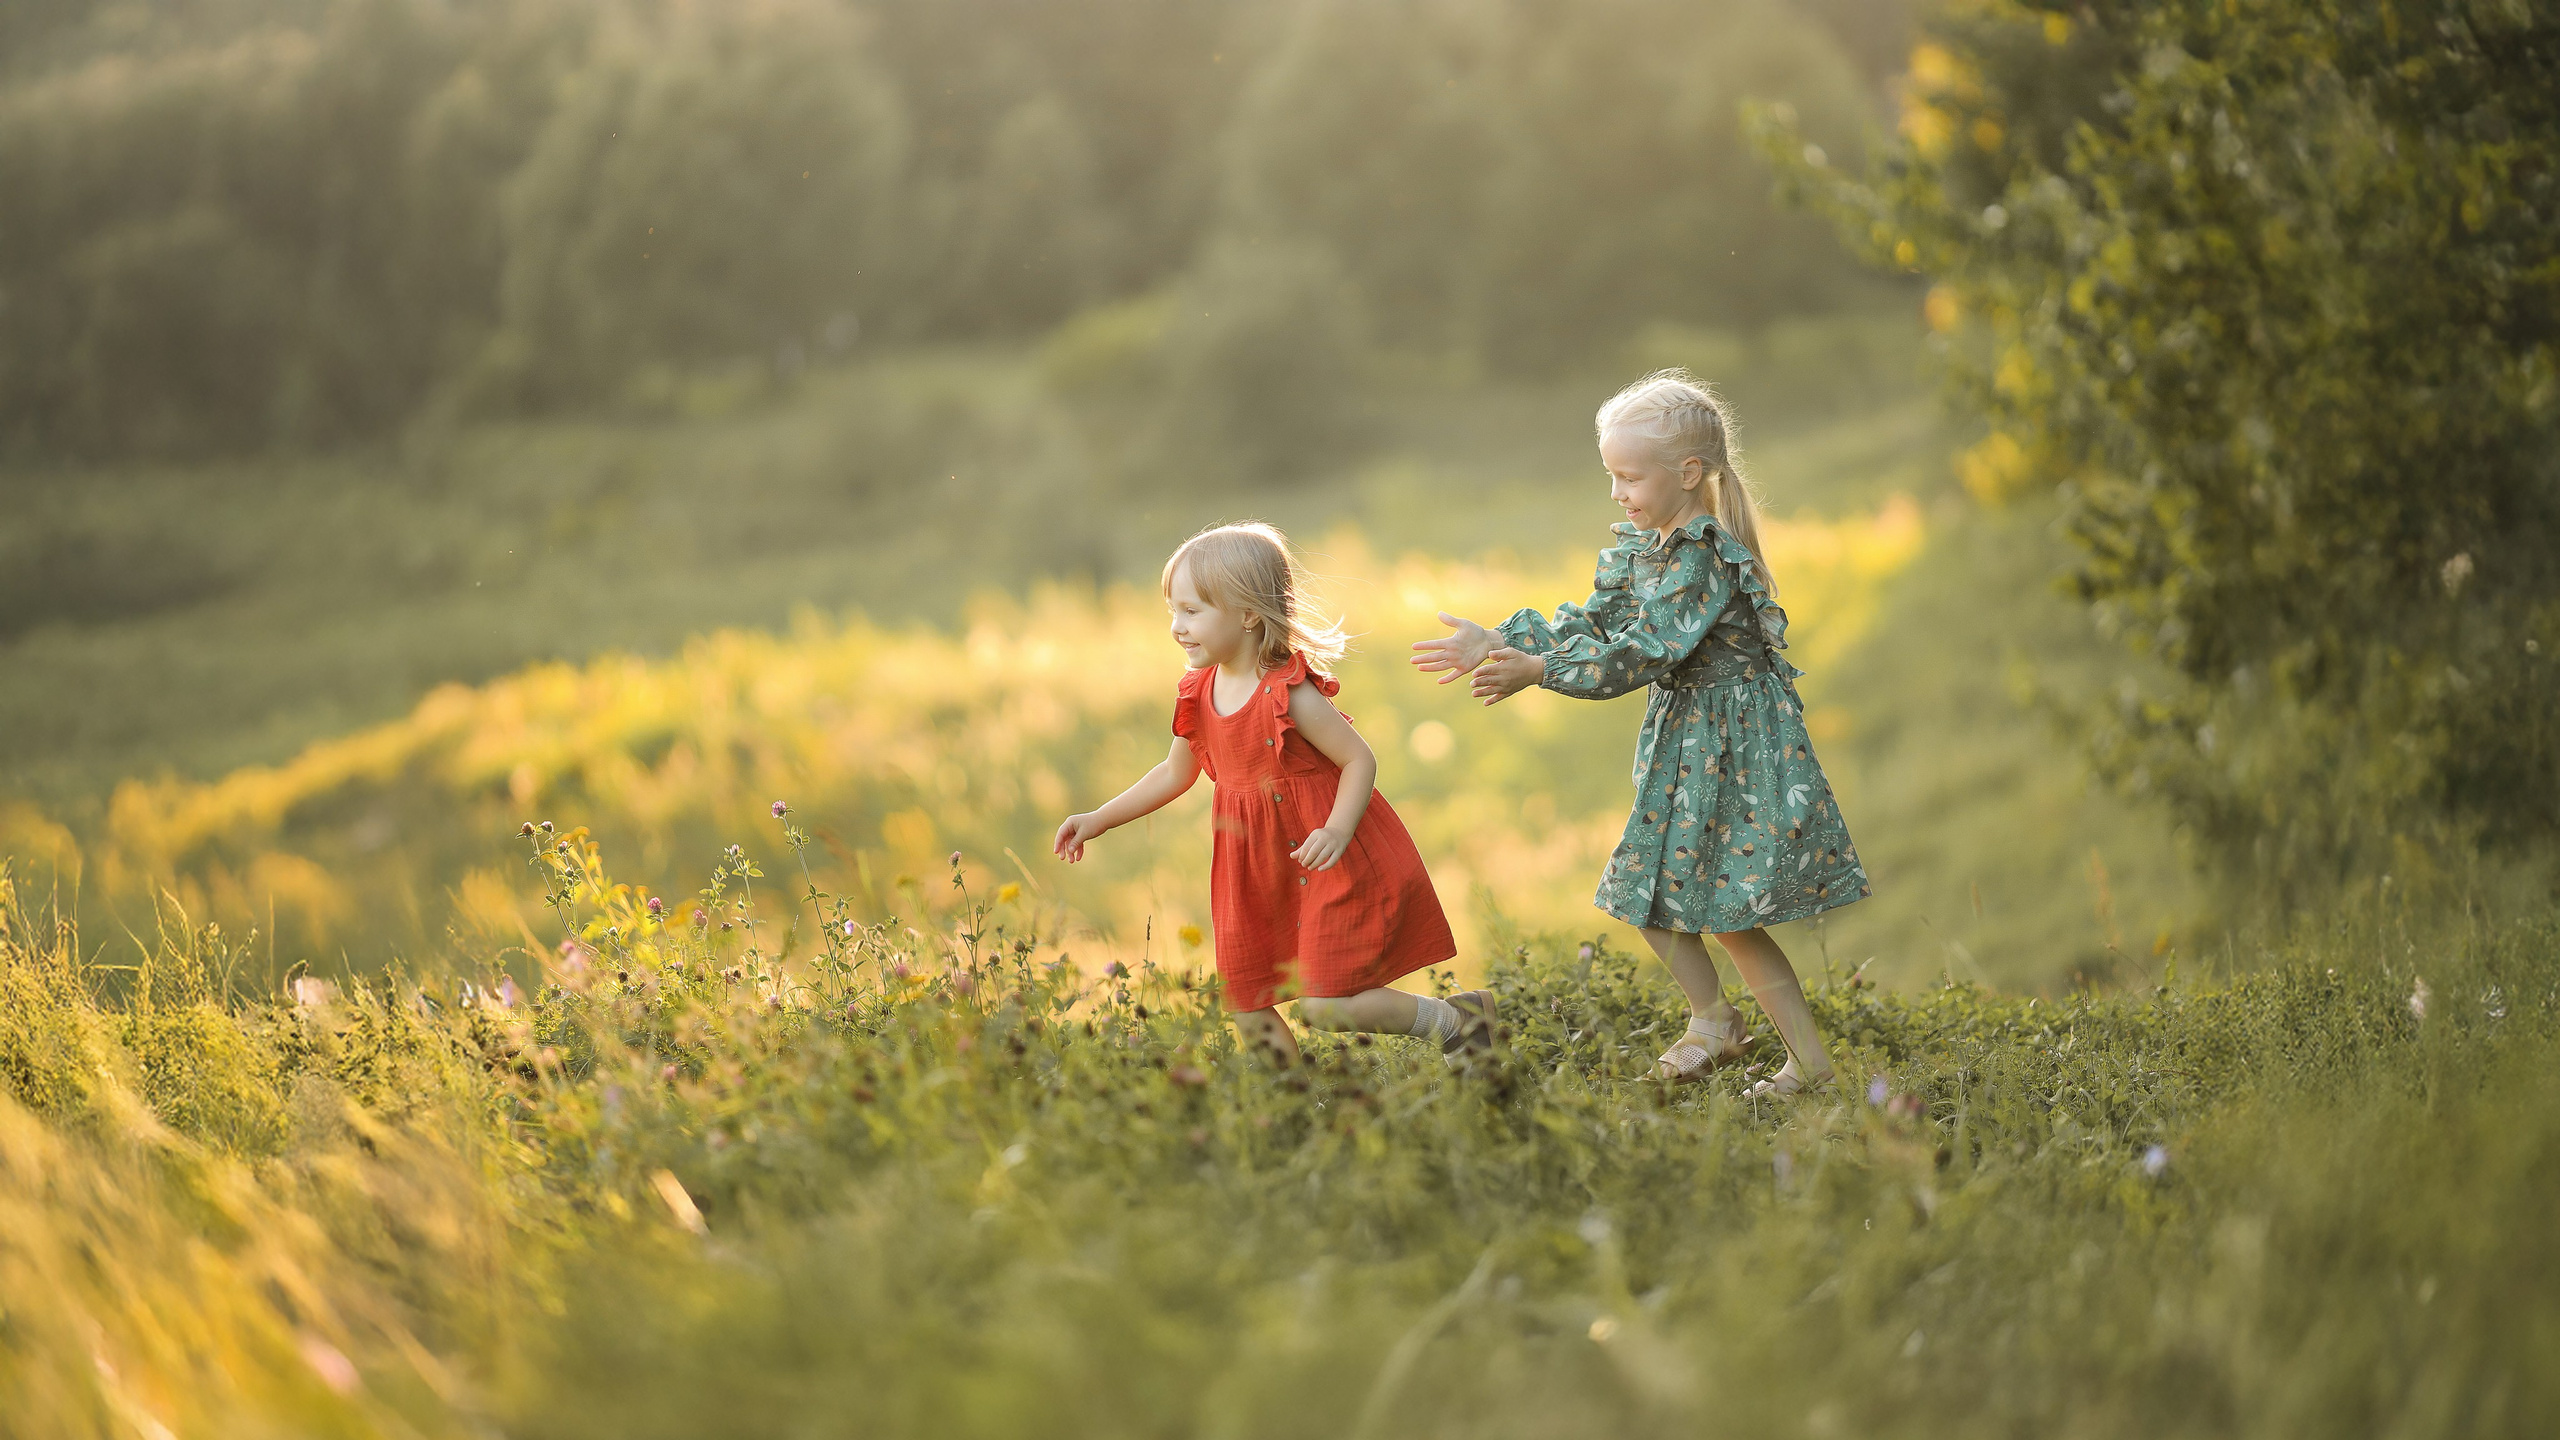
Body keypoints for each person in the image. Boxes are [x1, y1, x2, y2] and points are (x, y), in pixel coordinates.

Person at [1412, 370, 1868, 1098]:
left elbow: (1647, 649)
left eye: (1630, 476)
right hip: (1688, 745)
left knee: (1727, 913)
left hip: (1734, 752)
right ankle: (1715, 1020)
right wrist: (1505, 638)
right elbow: (1595, 622)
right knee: (1647, 895)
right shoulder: (1644, 548)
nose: (1618, 492)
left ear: (1688, 474)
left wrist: (1540, 672)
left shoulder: (1701, 558)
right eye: (1611, 476)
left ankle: (1800, 1061)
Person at [1055, 522, 1494, 1067]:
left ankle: (1456, 1021)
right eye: (1173, 611)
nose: (1176, 627)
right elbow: (1174, 773)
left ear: (1246, 615)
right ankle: (1292, 1110)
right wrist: (1099, 817)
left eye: (1192, 612)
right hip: (1253, 867)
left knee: (1323, 1005)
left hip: (1322, 853)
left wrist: (1336, 828)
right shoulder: (1198, 691)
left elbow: (1359, 759)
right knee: (1248, 1000)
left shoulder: (1288, 693)